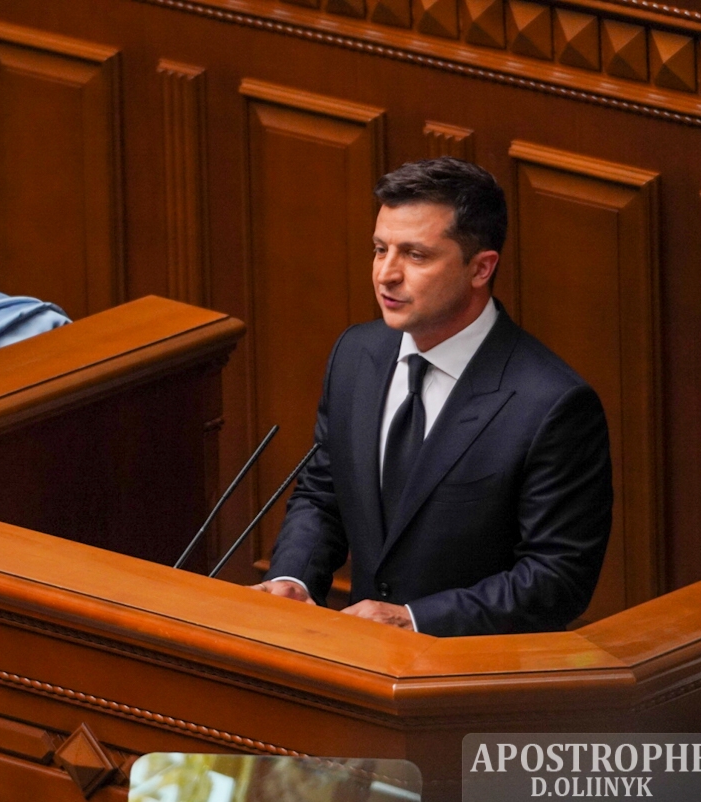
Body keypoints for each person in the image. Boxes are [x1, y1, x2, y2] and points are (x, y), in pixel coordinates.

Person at [250, 157, 612, 637]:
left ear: (481, 268)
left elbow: (557, 578)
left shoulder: (551, 404)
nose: (386, 274)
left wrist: (415, 618)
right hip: (358, 661)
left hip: (471, 672)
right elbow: (324, 493)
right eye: (380, 249)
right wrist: (293, 578)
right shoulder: (356, 354)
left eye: (415, 256)